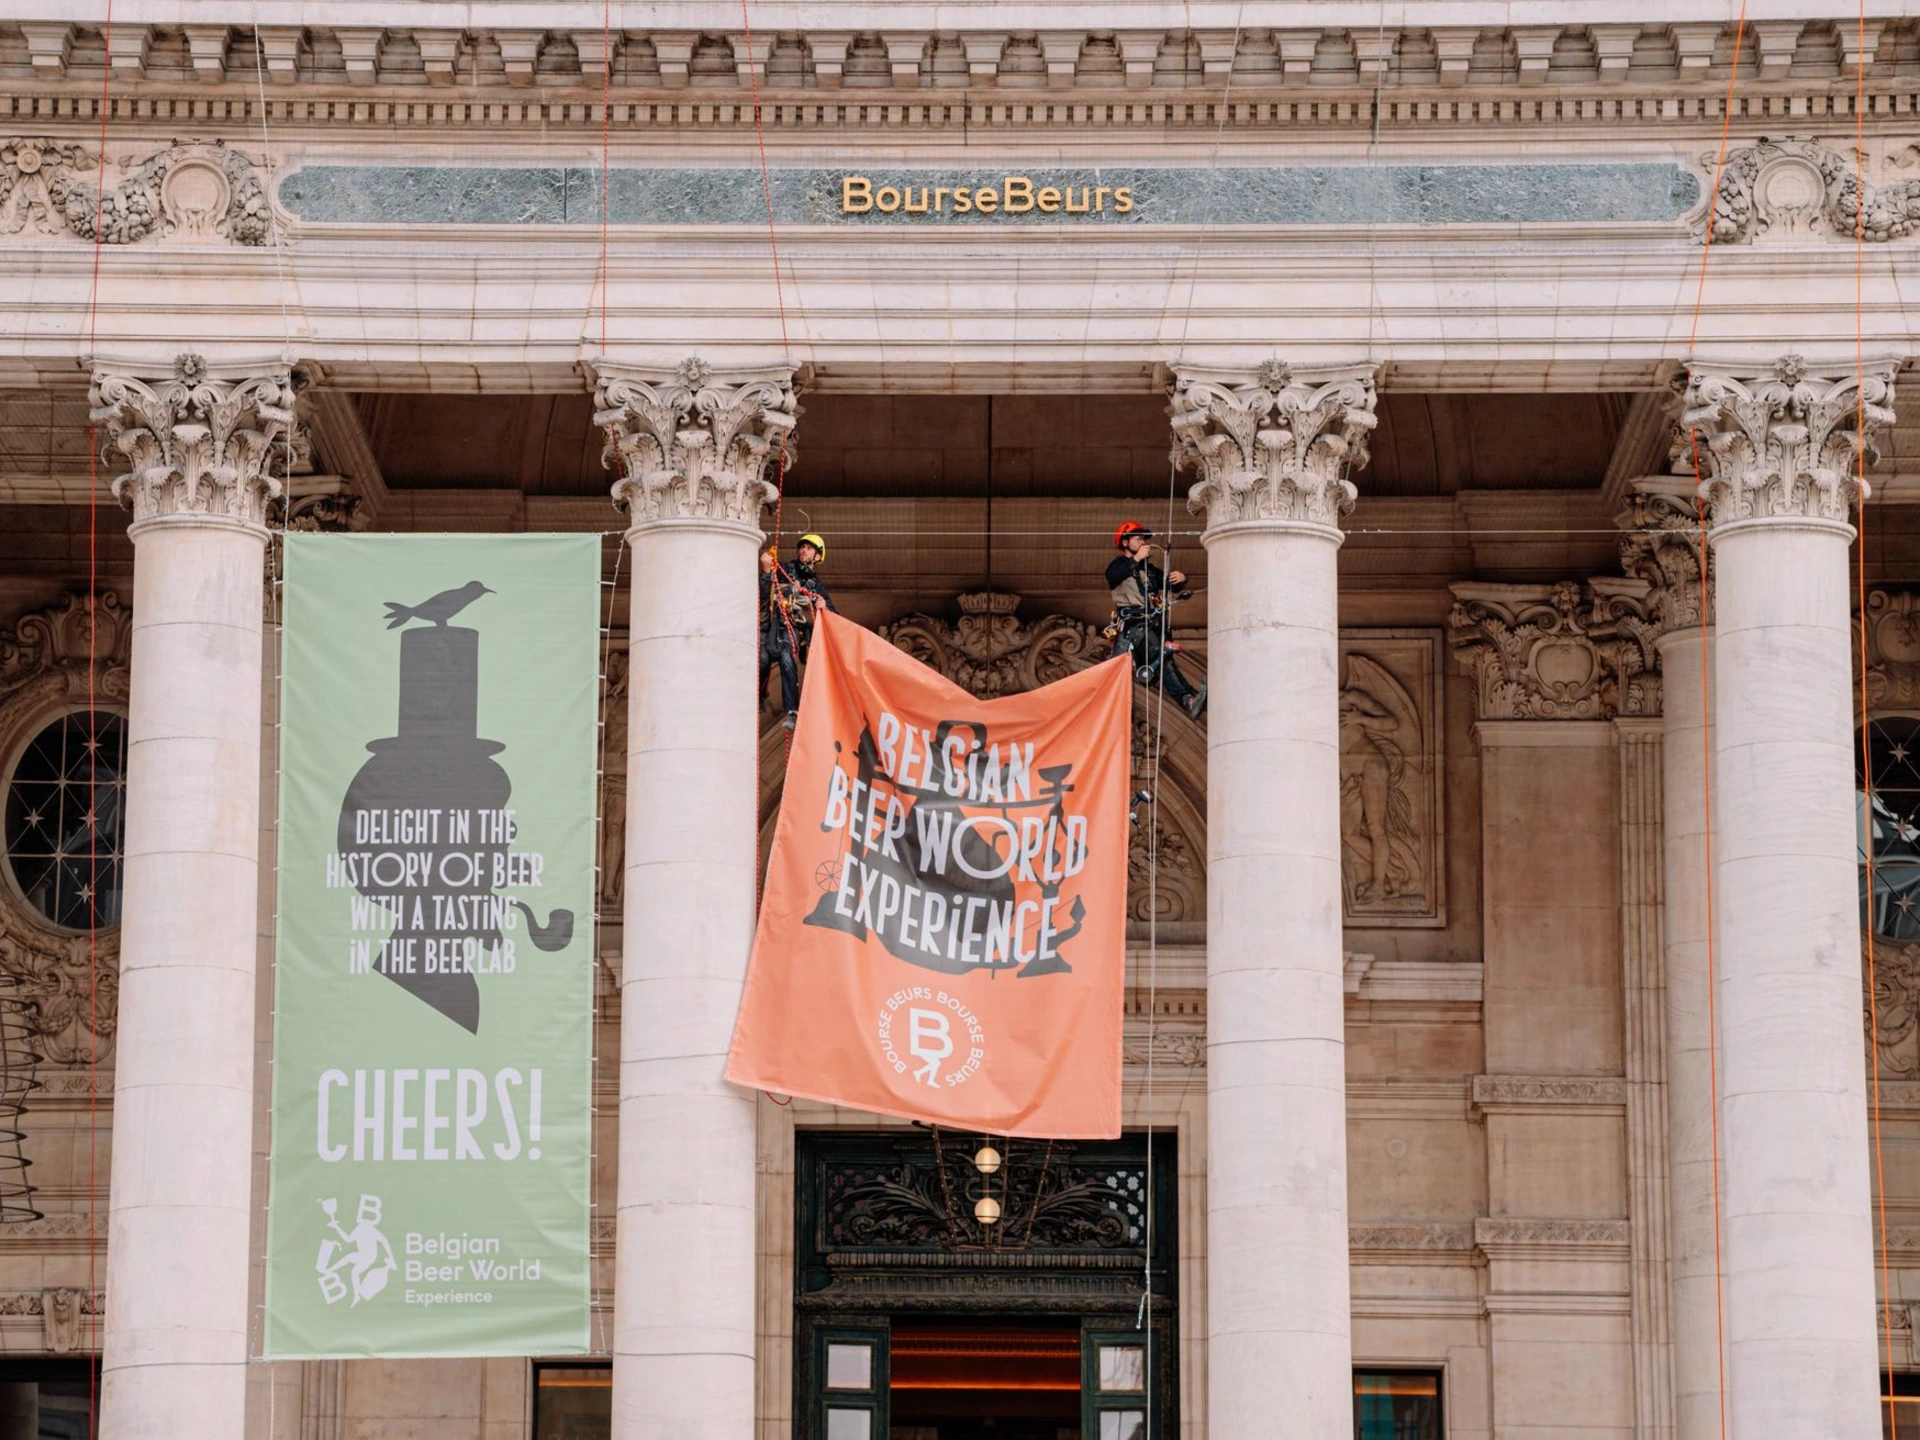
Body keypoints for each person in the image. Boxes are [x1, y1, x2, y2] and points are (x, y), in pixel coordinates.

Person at [1107, 521, 1205, 720]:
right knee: (1163, 657)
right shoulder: (1119, 565)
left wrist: (1181, 579)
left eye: (1144, 538)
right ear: (1125, 542)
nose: (1144, 542)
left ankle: (1189, 700)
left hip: (1151, 627)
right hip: (1134, 628)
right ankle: (1188, 699)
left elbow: (1170, 585)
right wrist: (1135, 559)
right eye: (1138, 538)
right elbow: (1113, 576)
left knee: (1164, 663)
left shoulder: (1150, 571)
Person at [761, 533, 836, 729]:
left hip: (792, 628)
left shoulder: (816, 586)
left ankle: (792, 711)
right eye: (802, 547)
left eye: (809, 548)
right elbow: (765, 589)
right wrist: (766, 569)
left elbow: (835, 617)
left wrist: (823, 607)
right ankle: (759, 696)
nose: (804, 550)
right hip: (773, 623)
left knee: (787, 659)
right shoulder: (785, 569)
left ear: (818, 557)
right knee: (762, 658)